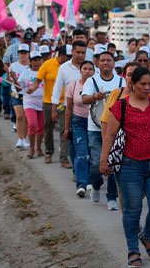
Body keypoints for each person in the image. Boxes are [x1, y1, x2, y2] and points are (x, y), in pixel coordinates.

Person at [99, 67, 150, 268]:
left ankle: (146, 234)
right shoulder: (121, 106)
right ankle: (133, 251)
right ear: (132, 84)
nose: (147, 88)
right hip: (130, 166)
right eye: (143, 84)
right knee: (133, 211)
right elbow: (110, 135)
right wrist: (103, 159)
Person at [82, 52, 125, 202]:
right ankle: (96, 184)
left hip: (115, 129)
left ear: (114, 63)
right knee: (96, 162)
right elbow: (84, 99)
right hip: (95, 127)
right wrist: (95, 96)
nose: (105, 63)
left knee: (114, 162)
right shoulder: (91, 81)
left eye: (108, 60)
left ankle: (112, 197)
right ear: (98, 64)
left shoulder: (121, 81)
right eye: (102, 60)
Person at [97, 62, 139, 211]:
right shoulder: (117, 94)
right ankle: (130, 222)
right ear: (124, 76)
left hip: (141, 152)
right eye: (129, 75)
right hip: (120, 152)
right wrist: (106, 150)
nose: (132, 78)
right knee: (124, 190)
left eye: (136, 75)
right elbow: (105, 122)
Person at [51, 41, 87, 168]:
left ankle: (81, 165)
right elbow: (57, 88)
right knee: (66, 133)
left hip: (86, 110)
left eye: (83, 53)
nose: (80, 55)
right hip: (68, 108)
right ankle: (64, 158)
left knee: (82, 140)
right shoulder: (64, 68)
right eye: (78, 52)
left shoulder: (89, 67)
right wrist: (54, 108)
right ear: (72, 52)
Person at [65, 61, 95, 197]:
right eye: (85, 69)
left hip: (94, 123)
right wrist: (67, 127)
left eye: (90, 69)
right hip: (78, 122)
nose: (87, 71)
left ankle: (89, 179)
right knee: (81, 153)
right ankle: (81, 184)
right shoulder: (73, 85)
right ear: (80, 70)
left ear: (94, 71)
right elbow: (69, 108)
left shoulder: (96, 85)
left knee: (92, 153)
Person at [21, 51, 45, 159]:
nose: (37, 62)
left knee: (41, 127)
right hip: (29, 102)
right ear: (30, 62)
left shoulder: (44, 71)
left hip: (43, 103)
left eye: (39, 60)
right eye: (35, 60)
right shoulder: (25, 73)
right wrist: (10, 76)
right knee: (32, 125)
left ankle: (38, 148)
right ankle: (31, 148)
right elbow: (18, 88)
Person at [8, 44, 31, 145]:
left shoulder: (31, 66)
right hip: (16, 94)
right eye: (21, 53)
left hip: (27, 95)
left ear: (28, 53)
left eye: (25, 53)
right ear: (18, 54)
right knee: (19, 116)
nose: (23, 55)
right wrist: (10, 77)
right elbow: (8, 80)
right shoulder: (13, 66)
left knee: (26, 118)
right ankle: (19, 139)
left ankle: (24, 138)